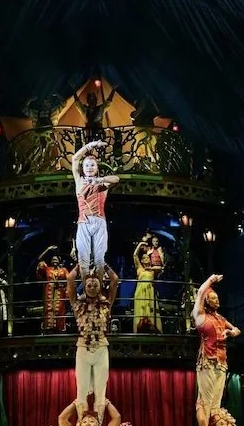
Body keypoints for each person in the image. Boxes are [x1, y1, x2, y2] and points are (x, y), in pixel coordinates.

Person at [67, 264, 120, 420]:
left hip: (101, 348)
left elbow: (114, 279)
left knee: (100, 391)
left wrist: (104, 265)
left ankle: (98, 425)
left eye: (95, 285)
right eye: (89, 285)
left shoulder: (106, 303)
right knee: (81, 391)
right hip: (83, 349)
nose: (92, 288)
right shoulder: (77, 304)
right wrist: (80, 265)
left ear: (100, 286)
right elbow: (70, 278)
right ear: (84, 286)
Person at [192, 274, 242, 426]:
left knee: (216, 401)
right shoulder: (200, 316)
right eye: (213, 298)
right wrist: (211, 280)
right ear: (207, 301)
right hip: (208, 360)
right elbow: (201, 292)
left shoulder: (220, 318)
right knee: (206, 400)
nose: (217, 300)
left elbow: (237, 330)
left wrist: (230, 332)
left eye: (217, 298)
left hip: (221, 362)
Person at [71, 139, 120, 277]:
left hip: (99, 222)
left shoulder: (102, 184)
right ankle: (86, 287)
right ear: (83, 168)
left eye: (92, 165)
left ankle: (98, 288)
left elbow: (116, 179)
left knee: (99, 259)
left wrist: (99, 180)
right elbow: (75, 158)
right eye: (86, 165)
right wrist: (91, 145)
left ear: (97, 168)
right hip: (83, 222)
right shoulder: (79, 181)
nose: (89, 167)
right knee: (83, 260)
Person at [132, 235, 163, 333]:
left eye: (147, 258)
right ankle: (139, 328)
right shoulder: (139, 268)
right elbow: (135, 255)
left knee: (151, 310)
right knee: (141, 310)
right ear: (141, 260)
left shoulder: (152, 270)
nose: (146, 259)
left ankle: (153, 328)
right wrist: (140, 244)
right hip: (140, 292)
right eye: (144, 258)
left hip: (150, 292)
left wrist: (150, 268)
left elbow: (161, 268)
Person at [35, 247, 69, 333]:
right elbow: (39, 259)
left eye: (56, 259)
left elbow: (69, 279)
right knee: (48, 309)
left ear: (59, 260)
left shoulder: (64, 270)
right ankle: (48, 329)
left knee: (60, 309)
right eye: (53, 259)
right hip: (49, 292)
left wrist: (64, 287)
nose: (54, 261)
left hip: (60, 292)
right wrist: (48, 249)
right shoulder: (48, 269)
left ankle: (59, 329)